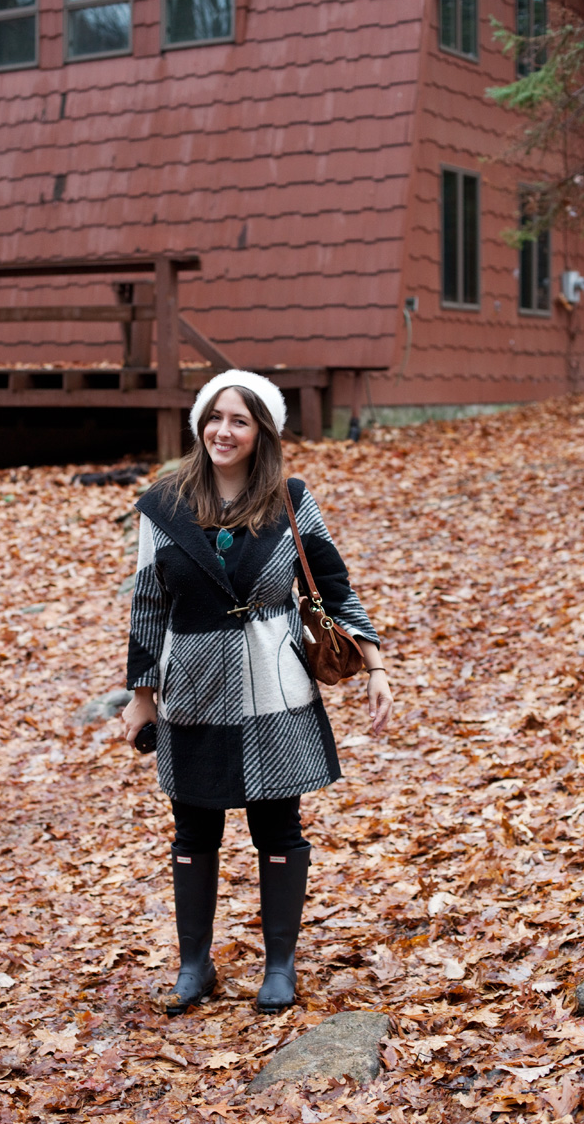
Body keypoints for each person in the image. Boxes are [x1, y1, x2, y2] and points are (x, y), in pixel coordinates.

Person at [122, 370, 392, 1015]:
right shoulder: (163, 506)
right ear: (199, 423)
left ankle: (280, 965)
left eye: (240, 420)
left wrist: (377, 665)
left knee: (278, 827)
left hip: (275, 687)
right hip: (192, 687)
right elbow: (147, 603)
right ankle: (194, 966)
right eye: (216, 417)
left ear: (262, 432)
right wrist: (140, 693)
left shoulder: (292, 500)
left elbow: (330, 587)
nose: (224, 431)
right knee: (193, 829)